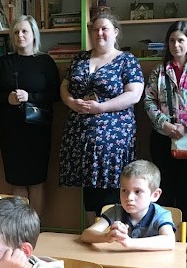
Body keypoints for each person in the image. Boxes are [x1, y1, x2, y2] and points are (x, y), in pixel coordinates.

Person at [60, 14, 144, 224]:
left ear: (115, 32)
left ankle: (111, 230)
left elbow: (134, 94)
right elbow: (64, 86)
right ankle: (92, 230)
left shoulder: (127, 60)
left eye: (104, 28)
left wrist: (101, 107)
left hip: (114, 138)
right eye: (95, 29)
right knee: (88, 185)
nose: (99, 33)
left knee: (113, 184)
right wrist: (71, 102)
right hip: (81, 135)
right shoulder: (80, 58)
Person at [0, 15, 60, 217]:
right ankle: (19, 227)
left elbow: (55, 94)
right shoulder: (4, 62)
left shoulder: (45, 62)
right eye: (16, 32)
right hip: (11, 130)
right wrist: (7, 98)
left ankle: (35, 227)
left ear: (34, 34)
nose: (20, 35)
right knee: (16, 180)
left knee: (37, 180)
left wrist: (31, 97)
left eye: (24, 31)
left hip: (37, 130)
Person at [143, 21, 187, 228]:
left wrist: (186, 126)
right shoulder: (159, 70)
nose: (176, 45)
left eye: (181, 40)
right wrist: (164, 124)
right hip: (162, 138)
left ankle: (184, 236)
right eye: (172, 40)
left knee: (186, 191)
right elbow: (148, 101)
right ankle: (164, 233)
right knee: (163, 190)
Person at [81, 159, 175, 268]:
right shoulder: (115, 211)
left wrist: (129, 242)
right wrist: (106, 237)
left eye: (137, 191)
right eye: (124, 190)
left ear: (154, 195)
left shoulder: (161, 215)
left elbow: (169, 241)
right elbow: (86, 234)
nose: (129, 197)